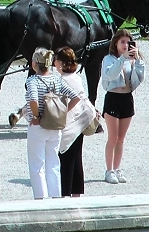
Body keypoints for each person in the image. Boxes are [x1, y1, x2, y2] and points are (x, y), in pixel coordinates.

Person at [25, 49, 82, 199]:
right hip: (55, 125)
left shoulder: (33, 80)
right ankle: (56, 197)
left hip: (39, 126)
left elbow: (33, 100)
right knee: (53, 163)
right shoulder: (57, 79)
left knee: (37, 164)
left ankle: (40, 198)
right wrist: (62, 112)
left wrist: (37, 116)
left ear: (34, 64)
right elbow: (75, 97)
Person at [100, 30, 144, 184]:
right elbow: (110, 75)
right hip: (113, 98)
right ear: (116, 44)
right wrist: (123, 59)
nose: (126, 45)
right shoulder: (108, 59)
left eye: (128, 42)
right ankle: (109, 170)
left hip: (127, 98)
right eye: (122, 42)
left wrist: (138, 60)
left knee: (121, 139)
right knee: (113, 137)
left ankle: (117, 169)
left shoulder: (131, 60)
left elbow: (139, 78)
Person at [55, 47, 97, 198]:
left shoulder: (62, 80)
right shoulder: (76, 77)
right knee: (77, 158)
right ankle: (77, 192)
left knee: (66, 159)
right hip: (81, 121)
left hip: (70, 123)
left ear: (60, 63)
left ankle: (65, 193)